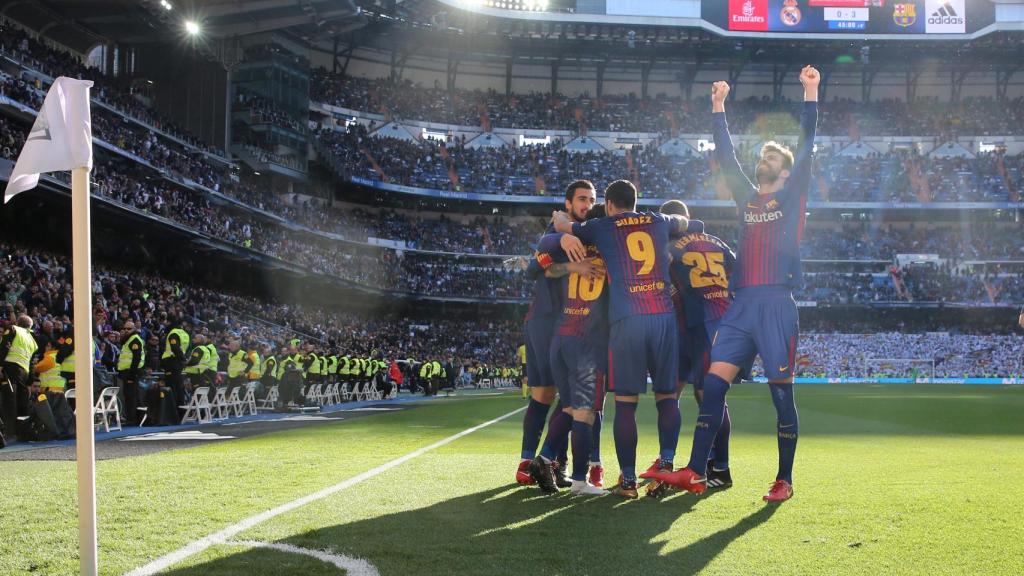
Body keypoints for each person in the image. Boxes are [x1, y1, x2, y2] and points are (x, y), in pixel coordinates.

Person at [649, 67, 819, 503]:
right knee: (714, 385)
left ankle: (784, 478)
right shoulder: (748, 198)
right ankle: (696, 470)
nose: (766, 161)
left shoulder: (791, 195)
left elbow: (807, 146)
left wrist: (811, 92)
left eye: (773, 159)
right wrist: (718, 106)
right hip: (741, 307)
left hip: (777, 305)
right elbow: (726, 157)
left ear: (785, 173)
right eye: (764, 158)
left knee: (782, 396)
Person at [551, 180, 689, 498]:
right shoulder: (658, 220)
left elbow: (563, 223)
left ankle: (627, 482)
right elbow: (688, 222)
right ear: (636, 203)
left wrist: (563, 222)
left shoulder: (603, 225)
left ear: (610, 204)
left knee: (625, 406)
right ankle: (665, 466)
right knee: (667, 398)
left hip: (627, 321)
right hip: (663, 318)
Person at [643, 200, 739, 496]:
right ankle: (707, 465)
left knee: (678, 394)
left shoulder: (667, 247)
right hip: (711, 324)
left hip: (692, 328)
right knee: (705, 397)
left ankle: (702, 466)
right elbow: (739, 273)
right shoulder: (716, 241)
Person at [516, 179, 597, 486]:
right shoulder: (555, 233)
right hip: (548, 320)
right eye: (581, 199)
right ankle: (539, 462)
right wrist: (572, 263)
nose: (586, 204)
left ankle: (542, 463)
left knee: (549, 395)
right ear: (568, 203)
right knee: (560, 397)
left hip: (562, 322)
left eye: (590, 199)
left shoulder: (584, 231)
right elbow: (536, 269)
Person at [530, 203, 610, 496]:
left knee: (567, 407)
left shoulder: (572, 251)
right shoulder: (611, 254)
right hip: (587, 342)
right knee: (584, 414)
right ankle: (579, 480)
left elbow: (547, 271)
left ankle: (545, 458)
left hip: (560, 337)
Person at [0, 314, 38, 444]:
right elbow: (32, 363)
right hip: (24, 372)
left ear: (18, 322)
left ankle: (10, 433)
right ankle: (22, 433)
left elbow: (5, 346)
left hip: (10, 368)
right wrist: (30, 382)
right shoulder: (32, 340)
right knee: (22, 402)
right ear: (30, 327)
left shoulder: (13, 329)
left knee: (9, 401)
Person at [116, 321, 145, 426]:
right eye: (125, 328)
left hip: (131, 372)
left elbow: (136, 359)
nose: (126, 330)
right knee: (129, 396)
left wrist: (132, 375)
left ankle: (132, 419)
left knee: (131, 396)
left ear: (134, 329)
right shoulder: (128, 340)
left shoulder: (134, 340)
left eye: (129, 329)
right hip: (127, 372)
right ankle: (133, 418)